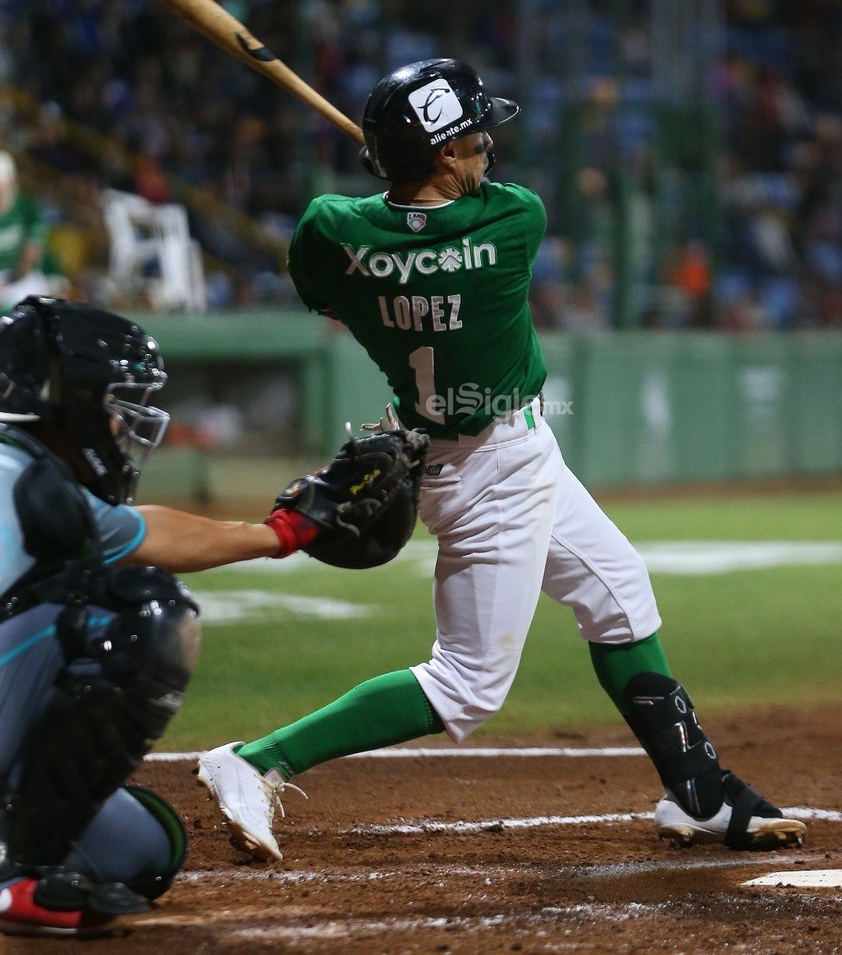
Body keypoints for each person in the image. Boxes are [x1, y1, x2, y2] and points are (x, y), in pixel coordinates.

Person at [198, 58, 807, 862]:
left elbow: (332, 252)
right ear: (445, 157)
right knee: (466, 683)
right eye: (474, 139)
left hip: (484, 448)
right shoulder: (515, 219)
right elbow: (461, 218)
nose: (488, 148)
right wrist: (410, 193)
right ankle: (253, 759)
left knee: (619, 594)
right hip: (486, 470)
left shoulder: (330, 231)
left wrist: (393, 200)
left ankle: (696, 791)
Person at [0, 294, 425, 936]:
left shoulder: (31, 478)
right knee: (138, 614)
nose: (122, 425)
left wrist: (283, 532)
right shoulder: (13, 475)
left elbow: (150, 533)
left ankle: (18, 841)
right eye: (115, 405)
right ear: (71, 398)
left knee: (140, 856)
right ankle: (19, 882)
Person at [0, 151, 67, 311]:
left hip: (15, 277)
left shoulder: (28, 210)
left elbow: (28, 259)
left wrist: (6, 283)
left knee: (28, 304)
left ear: (11, 182)